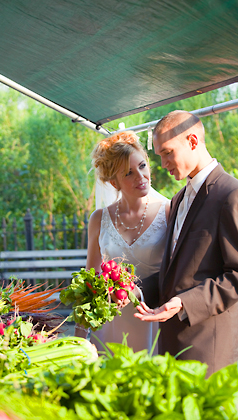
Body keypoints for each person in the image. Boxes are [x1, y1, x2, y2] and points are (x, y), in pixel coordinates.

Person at [134, 110, 238, 376]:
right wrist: (135, 290)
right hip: (170, 342)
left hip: (207, 345)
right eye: (158, 156)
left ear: (192, 141)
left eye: (167, 152)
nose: (163, 163)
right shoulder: (179, 199)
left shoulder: (235, 195)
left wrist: (183, 303)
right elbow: (177, 271)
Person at [86, 131, 170, 352]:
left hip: (153, 318)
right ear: (114, 182)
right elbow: (90, 280)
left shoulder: (169, 212)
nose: (141, 177)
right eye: (129, 173)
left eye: (143, 166)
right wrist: (79, 337)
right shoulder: (98, 219)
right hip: (110, 324)